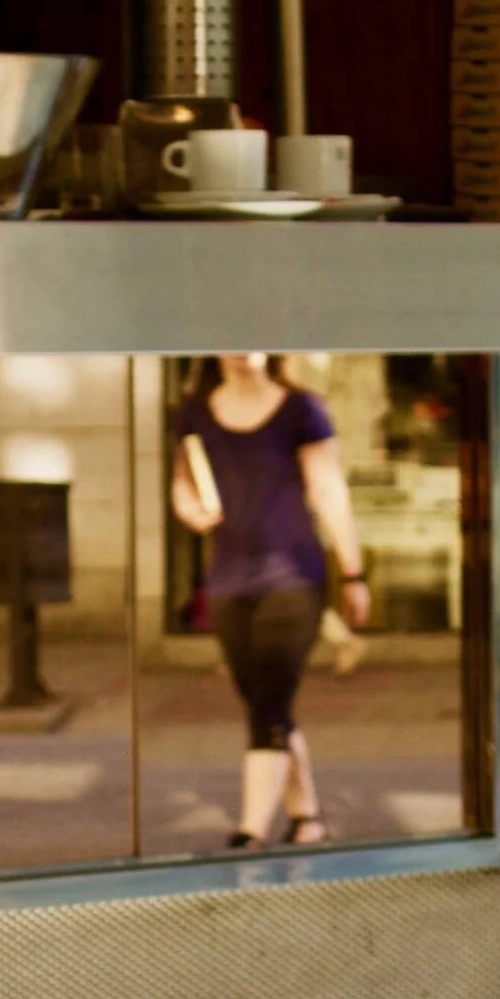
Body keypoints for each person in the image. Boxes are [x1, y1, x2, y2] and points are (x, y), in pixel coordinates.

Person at [171, 354, 370, 847]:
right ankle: (306, 816)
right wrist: (189, 508)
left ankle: (250, 830)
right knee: (265, 703)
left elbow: (328, 490)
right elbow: (182, 481)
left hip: (292, 578)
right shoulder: (195, 411)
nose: (243, 347)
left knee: (269, 701)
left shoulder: (302, 409)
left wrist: (353, 572)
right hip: (228, 582)